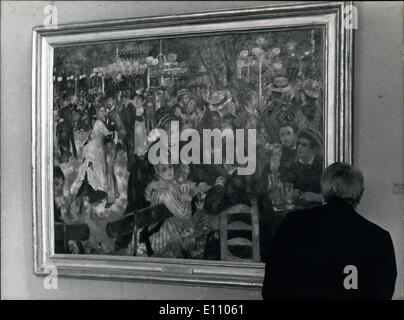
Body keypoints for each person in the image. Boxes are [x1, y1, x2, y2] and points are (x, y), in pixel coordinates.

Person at [262, 162, 397, 300]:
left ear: (324, 189)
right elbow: (382, 294)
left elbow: (272, 287)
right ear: (360, 194)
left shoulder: (294, 224)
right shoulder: (379, 237)